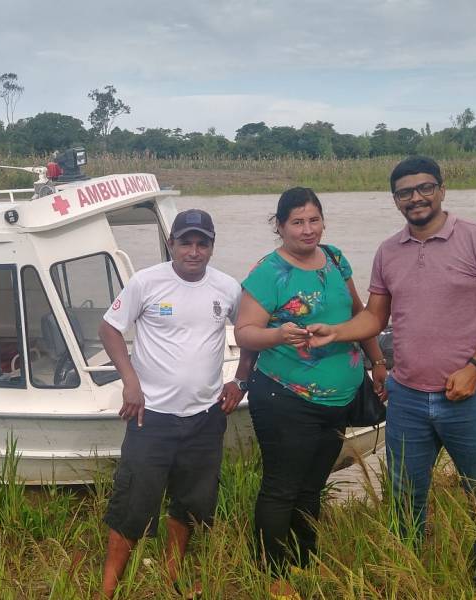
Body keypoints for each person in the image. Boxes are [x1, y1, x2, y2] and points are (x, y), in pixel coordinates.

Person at [307, 156, 476, 585]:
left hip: (470, 395)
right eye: (405, 192)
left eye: (425, 188)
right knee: (405, 497)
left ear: (442, 190)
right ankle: (411, 576)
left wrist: (475, 367)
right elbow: (374, 317)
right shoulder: (389, 251)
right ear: (395, 201)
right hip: (406, 398)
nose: (416, 198)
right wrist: (334, 331)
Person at [234, 187, 387, 599]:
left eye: (314, 220)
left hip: (338, 399)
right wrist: (277, 333)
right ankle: (272, 573)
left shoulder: (335, 258)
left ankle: (305, 558)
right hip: (286, 397)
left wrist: (377, 362)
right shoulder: (268, 272)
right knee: (282, 486)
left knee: (311, 484)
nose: (307, 229)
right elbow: (244, 331)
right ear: (279, 226)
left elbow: (362, 315)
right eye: (297, 222)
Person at [98, 209, 254, 599]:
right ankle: (108, 587)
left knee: (192, 503)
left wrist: (241, 380)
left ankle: (173, 575)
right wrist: (129, 381)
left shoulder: (228, 288)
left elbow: (250, 333)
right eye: (186, 242)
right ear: (172, 244)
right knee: (133, 502)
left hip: (205, 418)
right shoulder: (146, 283)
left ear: (212, 247)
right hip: (151, 418)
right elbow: (109, 328)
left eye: (203, 243)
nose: (194, 251)